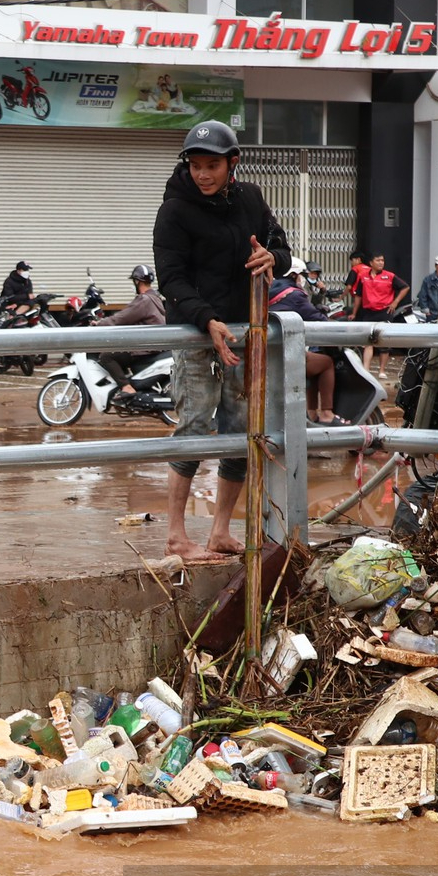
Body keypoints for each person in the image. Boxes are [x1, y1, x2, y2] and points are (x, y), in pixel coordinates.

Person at [154, 119, 289, 561]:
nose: (203, 174)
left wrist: (274, 257)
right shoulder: (174, 210)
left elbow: (282, 249)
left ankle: (219, 532)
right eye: (195, 165)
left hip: (245, 332)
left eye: (212, 165)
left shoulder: (250, 198)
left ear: (233, 163)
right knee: (193, 426)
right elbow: (171, 278)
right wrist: (207, 320)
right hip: (197, 335)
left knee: (241, 428)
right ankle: (176, 536)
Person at [268, 260, 342, 426]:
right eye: (301, 275)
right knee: (326, 363)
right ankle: (327, 413)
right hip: (286, 356)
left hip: (270, 353)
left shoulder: (268, 290)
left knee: (314, 363)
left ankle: (311, 413)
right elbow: (317, 319)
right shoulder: (294, 294)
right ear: (294, 275)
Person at [97, 263, 165, 401]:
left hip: (145, 348)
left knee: (106, 356)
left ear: (137, 281)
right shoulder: (155, 298)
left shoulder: (144, 300)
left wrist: (100, 323)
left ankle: (127, 388)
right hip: (155, 345)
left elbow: (122, 318)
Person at [354, 252, 408, 374]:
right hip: (368, 312)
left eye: (382, 260)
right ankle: (366, 369)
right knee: (367, 341)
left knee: (384, 342)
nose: (381, 263)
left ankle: (382, 370)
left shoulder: (390, 276)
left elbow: (405, 287)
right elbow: (358, 295)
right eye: (378, 260)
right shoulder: (363, 276)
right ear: (371, 263)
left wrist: (395, 302)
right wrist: (354, 312)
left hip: (385, 312)